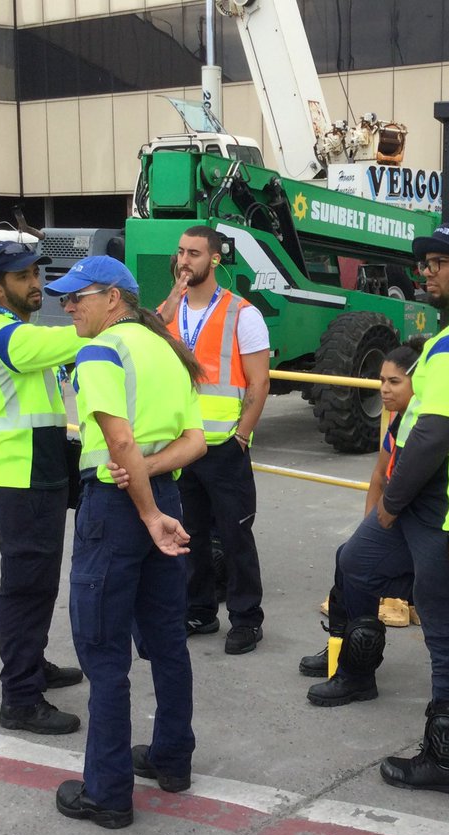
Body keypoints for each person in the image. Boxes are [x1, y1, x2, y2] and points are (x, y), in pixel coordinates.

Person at [306, 222, 449, 799]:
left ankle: (447, 758)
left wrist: (390, 503)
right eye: (423, 261)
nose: (425, 271)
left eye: (438, 262)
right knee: (356, 564)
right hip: (444, 500)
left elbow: (433, 433)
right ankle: (357, 670)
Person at [44, 256, 207, 830]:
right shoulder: (165, 349)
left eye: (77, 297)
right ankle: (171, 757)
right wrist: (156, 495)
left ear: (113, 298)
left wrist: (143, 507)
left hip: (117, 511)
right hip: (162, 498)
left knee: (103, 652)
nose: (68, 306)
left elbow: (117, 440)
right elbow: (195, 443)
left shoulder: (100, 351)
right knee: (166, 640)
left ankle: (107, 792)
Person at [0, 240, 85, 737]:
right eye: (22, 278)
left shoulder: (23, 331)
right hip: (20, 479)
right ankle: (20, 697)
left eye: (35, 274)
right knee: (24, 589)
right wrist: (112, 318)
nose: (35, 284)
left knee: (38, 584)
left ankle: (31, 663)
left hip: (37, 472)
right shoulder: (7, 336)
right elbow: (74, 340)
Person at [159, 226, 270, 655]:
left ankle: (246, 619)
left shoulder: (244, 314)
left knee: (236, 535)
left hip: (224, 447)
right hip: (181, 445)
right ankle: (200, 611)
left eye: (194, 253)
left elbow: (259, 382)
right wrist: (172, 296)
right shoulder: (169, 311)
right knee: (191, 535)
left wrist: (242, 435)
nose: (185, 260)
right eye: (181, 251)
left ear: (215, 259)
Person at [298, 340, 422, 678]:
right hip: (397, 528)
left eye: (394, 382)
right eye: (381, 380)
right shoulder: (400, 422)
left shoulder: (428, 424)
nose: (383, 389)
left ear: (420, 381)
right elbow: (379, 477)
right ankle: (342, 650)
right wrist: (368, 530)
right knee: (348, 555)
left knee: (354, 562)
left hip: (424, 534)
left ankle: (357, 667)